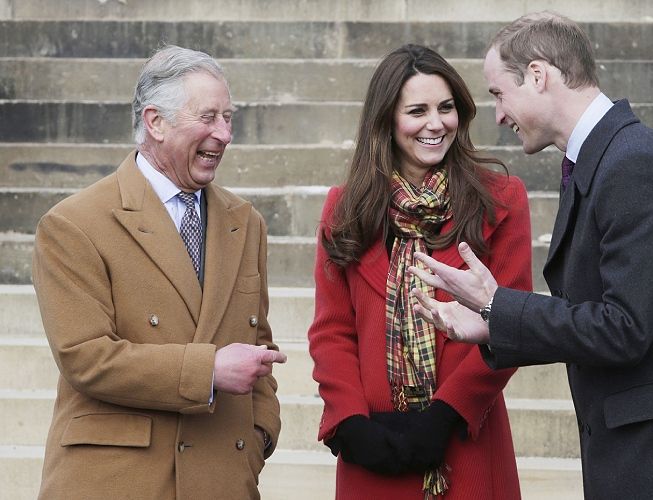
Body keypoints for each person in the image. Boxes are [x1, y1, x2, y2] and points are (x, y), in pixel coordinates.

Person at [408, 13, 653, 499]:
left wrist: (499, 304)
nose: (498, 115)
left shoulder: (636, 162)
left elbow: (624, 327)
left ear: (538, 75)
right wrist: (495, 326)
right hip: (643, 458)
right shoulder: (608, 158)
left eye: (497, 94)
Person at [31, 45, 286, 499]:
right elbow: (85, 358)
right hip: (120, 482)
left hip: (222, 478)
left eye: (229, 118)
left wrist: (260, 434)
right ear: (155, 122)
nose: (224, 134)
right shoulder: (74, 223)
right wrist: (207, 370)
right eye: (209, 117)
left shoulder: (245, 221)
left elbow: (257, 343)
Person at [307, 44, 532, 499]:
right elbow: (332, 331)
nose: (436, 123)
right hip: (375, 449)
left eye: (446, 108)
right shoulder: (344, 209)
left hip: (465, 441)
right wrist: (350, 424)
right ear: (387, 120)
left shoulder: (503, 200)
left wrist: (445, 414)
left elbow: (510, 324)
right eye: (418, 111)